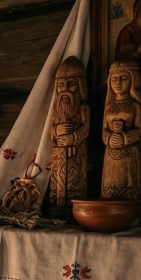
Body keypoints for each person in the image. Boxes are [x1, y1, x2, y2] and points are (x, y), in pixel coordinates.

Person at [47, 56, 90, 220]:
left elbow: (85, 128)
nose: (65, 89)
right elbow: (51, 132)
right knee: (57, 184)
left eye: (71, 84)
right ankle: (56, 210)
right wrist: (57, 130)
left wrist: (74, 137)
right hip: (58, 156)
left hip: (76, 155)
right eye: (61, 84)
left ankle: (74, 213)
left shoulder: (83, 107)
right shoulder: (56, 109)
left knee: (75, 183)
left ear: (80, 85)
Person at [100, 60, 141, 201]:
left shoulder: (135, 106)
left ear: (132, 79)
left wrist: (125, 137)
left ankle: (132, 215)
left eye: (123, 78)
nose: (118, 83)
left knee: (130, 185)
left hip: (130, 154)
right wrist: (108, 138)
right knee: (109, 185)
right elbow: (104, 130)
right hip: (110, 153)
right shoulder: (108, 106)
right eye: (114, 79)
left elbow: (139, 131)